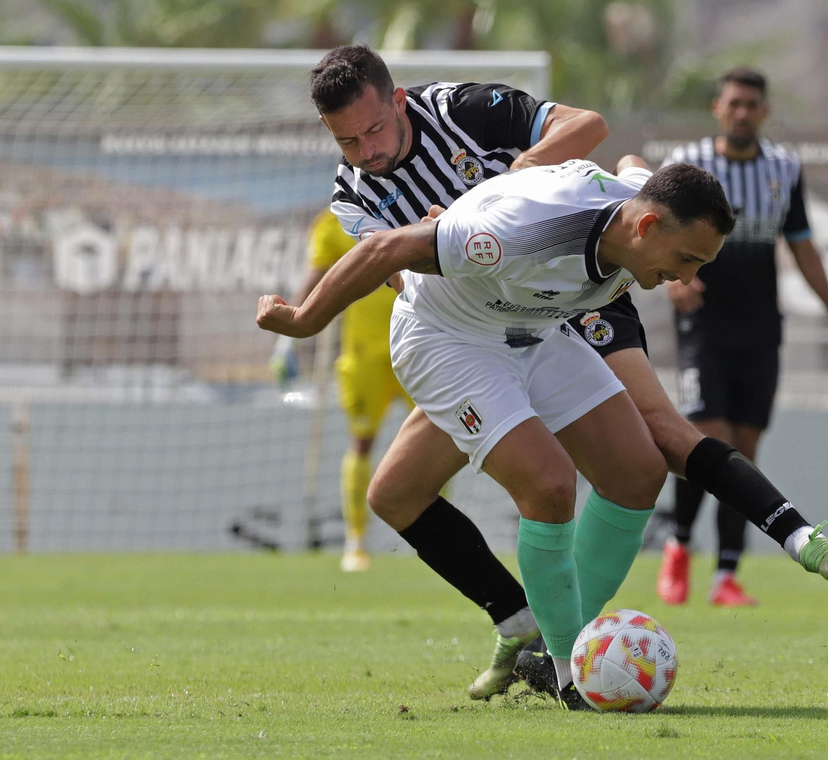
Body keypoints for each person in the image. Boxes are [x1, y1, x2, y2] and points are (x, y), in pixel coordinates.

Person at [307, 46, 828, 701]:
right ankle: (558, 649)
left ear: (398, 102)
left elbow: (597, 135)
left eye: (374, 129)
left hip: (563, 300)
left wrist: (523, 173)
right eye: (348, 141)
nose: (367, 151)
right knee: (569, 464)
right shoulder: (401, 207)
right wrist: (305, 318)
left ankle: (542, 636)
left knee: (641, 458)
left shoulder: (462, 112)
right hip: (473, 317)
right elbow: (394, 263)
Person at [257, 158, 730, 710]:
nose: (688, 278)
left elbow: (621, 157)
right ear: (647, 227)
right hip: (446, 339)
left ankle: (532, 625)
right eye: (687, 260)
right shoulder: (524, 228)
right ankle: (566, 673)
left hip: (527, 329)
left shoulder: (637, 205)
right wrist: (305, 322)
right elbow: (385, 248)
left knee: (639, 472)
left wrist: (625, 164)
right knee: (549, 484)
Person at [657, 67, 828, 607]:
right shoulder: (689, 162)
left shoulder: (783, 168)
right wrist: (674, 280)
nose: (742, 113)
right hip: (703, 325)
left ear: (764, 111)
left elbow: (802, 244)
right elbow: (651, 229)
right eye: (734, 103)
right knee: (706, 440)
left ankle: (726, 575)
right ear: (718, 108)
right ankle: (678, 545)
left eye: (752, 105)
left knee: (744, 451)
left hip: (760, 327)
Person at [270, 209, 408, 572]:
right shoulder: (333, 224)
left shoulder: (415, 201)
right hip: (364, 353)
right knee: (362, 441)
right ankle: (356, 542)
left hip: (421, 345)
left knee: (442, 438)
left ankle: (435, 539)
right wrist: (287, 344)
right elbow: (315, 278)